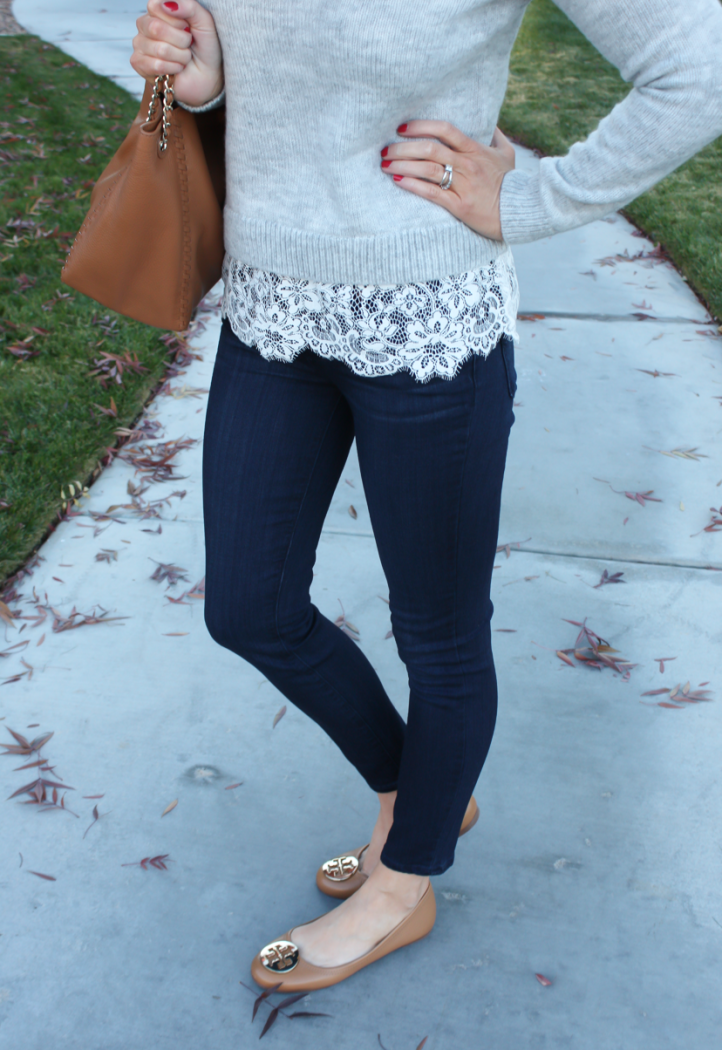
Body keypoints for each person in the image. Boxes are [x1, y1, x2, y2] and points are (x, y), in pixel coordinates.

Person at [131, 0, 722, 991]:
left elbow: (697, 66)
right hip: (271, 308)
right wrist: (202, 83)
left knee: (436, 635)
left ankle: (404, 881)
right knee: (249, 608)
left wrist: (531, 202)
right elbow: (272, 70)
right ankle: (422, 793)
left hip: (426, 321)